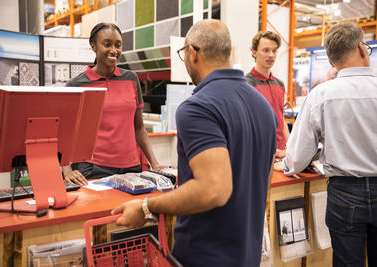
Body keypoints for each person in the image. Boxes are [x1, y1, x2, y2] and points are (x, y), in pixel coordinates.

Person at [112, 19, 277, 266]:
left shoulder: (197, 107)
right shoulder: (263, 106)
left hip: (205, 255)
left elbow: (213, 189)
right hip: (247, 255)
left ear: (192, 52)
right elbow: (264, 178)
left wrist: (146, 207)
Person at [279, 22, 377, 267]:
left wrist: (285, 164)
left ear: (331, 62)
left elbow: (298, 157)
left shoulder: (321, 95)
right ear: (363, 48)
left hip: (344, 192)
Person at [63, 23, 162, 185]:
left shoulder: (131, 79)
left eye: (118, 45)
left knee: (131, 210)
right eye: (107, 44)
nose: (114, 50)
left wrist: (155, 164)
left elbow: (139, 127)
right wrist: (66, 170)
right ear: (93, 46)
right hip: (93, 168)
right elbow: (65, 132)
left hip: (132, 167)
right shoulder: (77, 84)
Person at [246, 31, 290, 159]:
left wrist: (290, 145)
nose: (271, 55)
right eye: (265, 50)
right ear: (254, 52)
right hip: (259, 153)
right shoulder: (246, 84)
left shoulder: (280, 84)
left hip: (282, 152)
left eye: (274, 51)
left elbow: (281, 117)